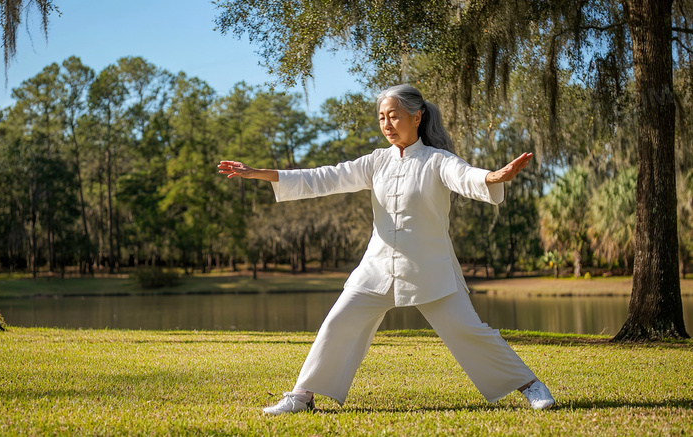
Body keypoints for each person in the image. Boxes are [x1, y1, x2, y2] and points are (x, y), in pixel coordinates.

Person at [217, 84, 555, 414]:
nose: (386, 124)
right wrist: (257, 173)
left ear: (417, 117)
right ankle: (302, 396)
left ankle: (531, 386)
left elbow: (465, 176)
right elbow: (324, 177)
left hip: (430, 270)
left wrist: (493, 178)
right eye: (381, 118)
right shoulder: (376, 161)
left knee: (467, 330)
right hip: (376, 269)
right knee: (337, 323)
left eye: (393, 116)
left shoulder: (438, 161)